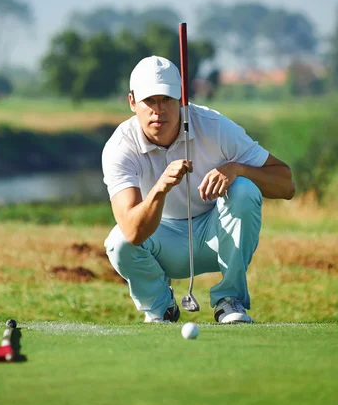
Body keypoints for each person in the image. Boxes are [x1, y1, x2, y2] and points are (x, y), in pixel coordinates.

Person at [102, 56, 295, 324]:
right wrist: (160, 189)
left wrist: (238, 168)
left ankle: (229, 300)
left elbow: (286, 184)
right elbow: (134, 232)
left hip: (216, 237)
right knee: (118, 242)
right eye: (150, 100)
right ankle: (161, 308)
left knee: (243, 189)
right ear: (132, 102)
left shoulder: (214, 126)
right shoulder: (120, 146)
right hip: (162, 242)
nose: (159, 110)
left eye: (167, 99)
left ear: (181, 98)